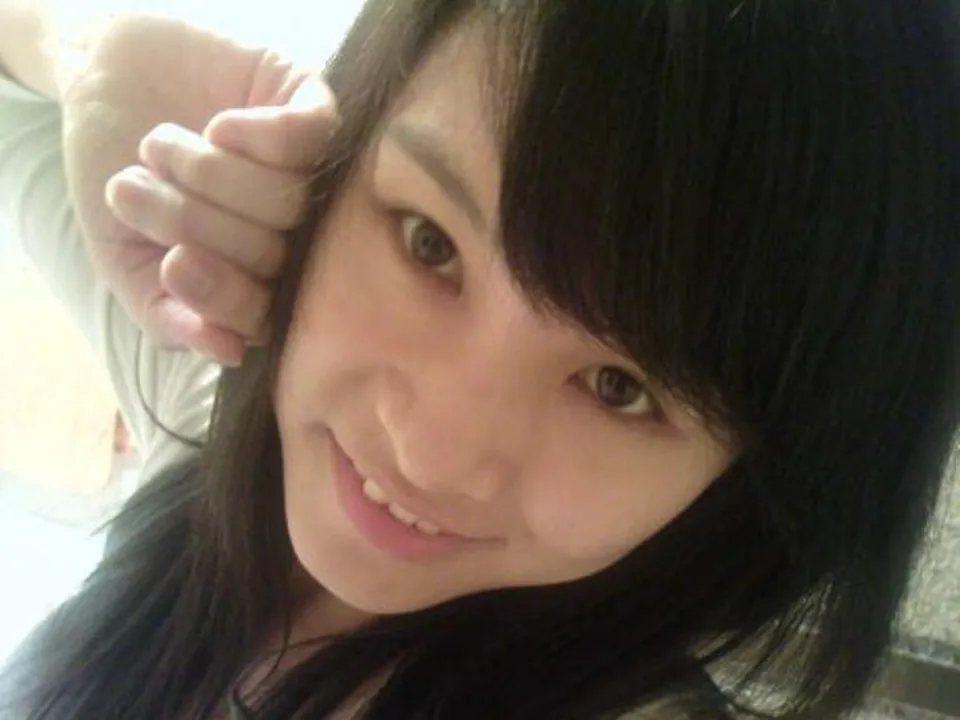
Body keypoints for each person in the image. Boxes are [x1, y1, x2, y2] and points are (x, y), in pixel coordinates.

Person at [2, 0, 960, 718]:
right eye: (430, 243)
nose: (429, 455)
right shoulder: (207, 385)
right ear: (339, 161)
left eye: (620, 388)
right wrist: (92, 53)